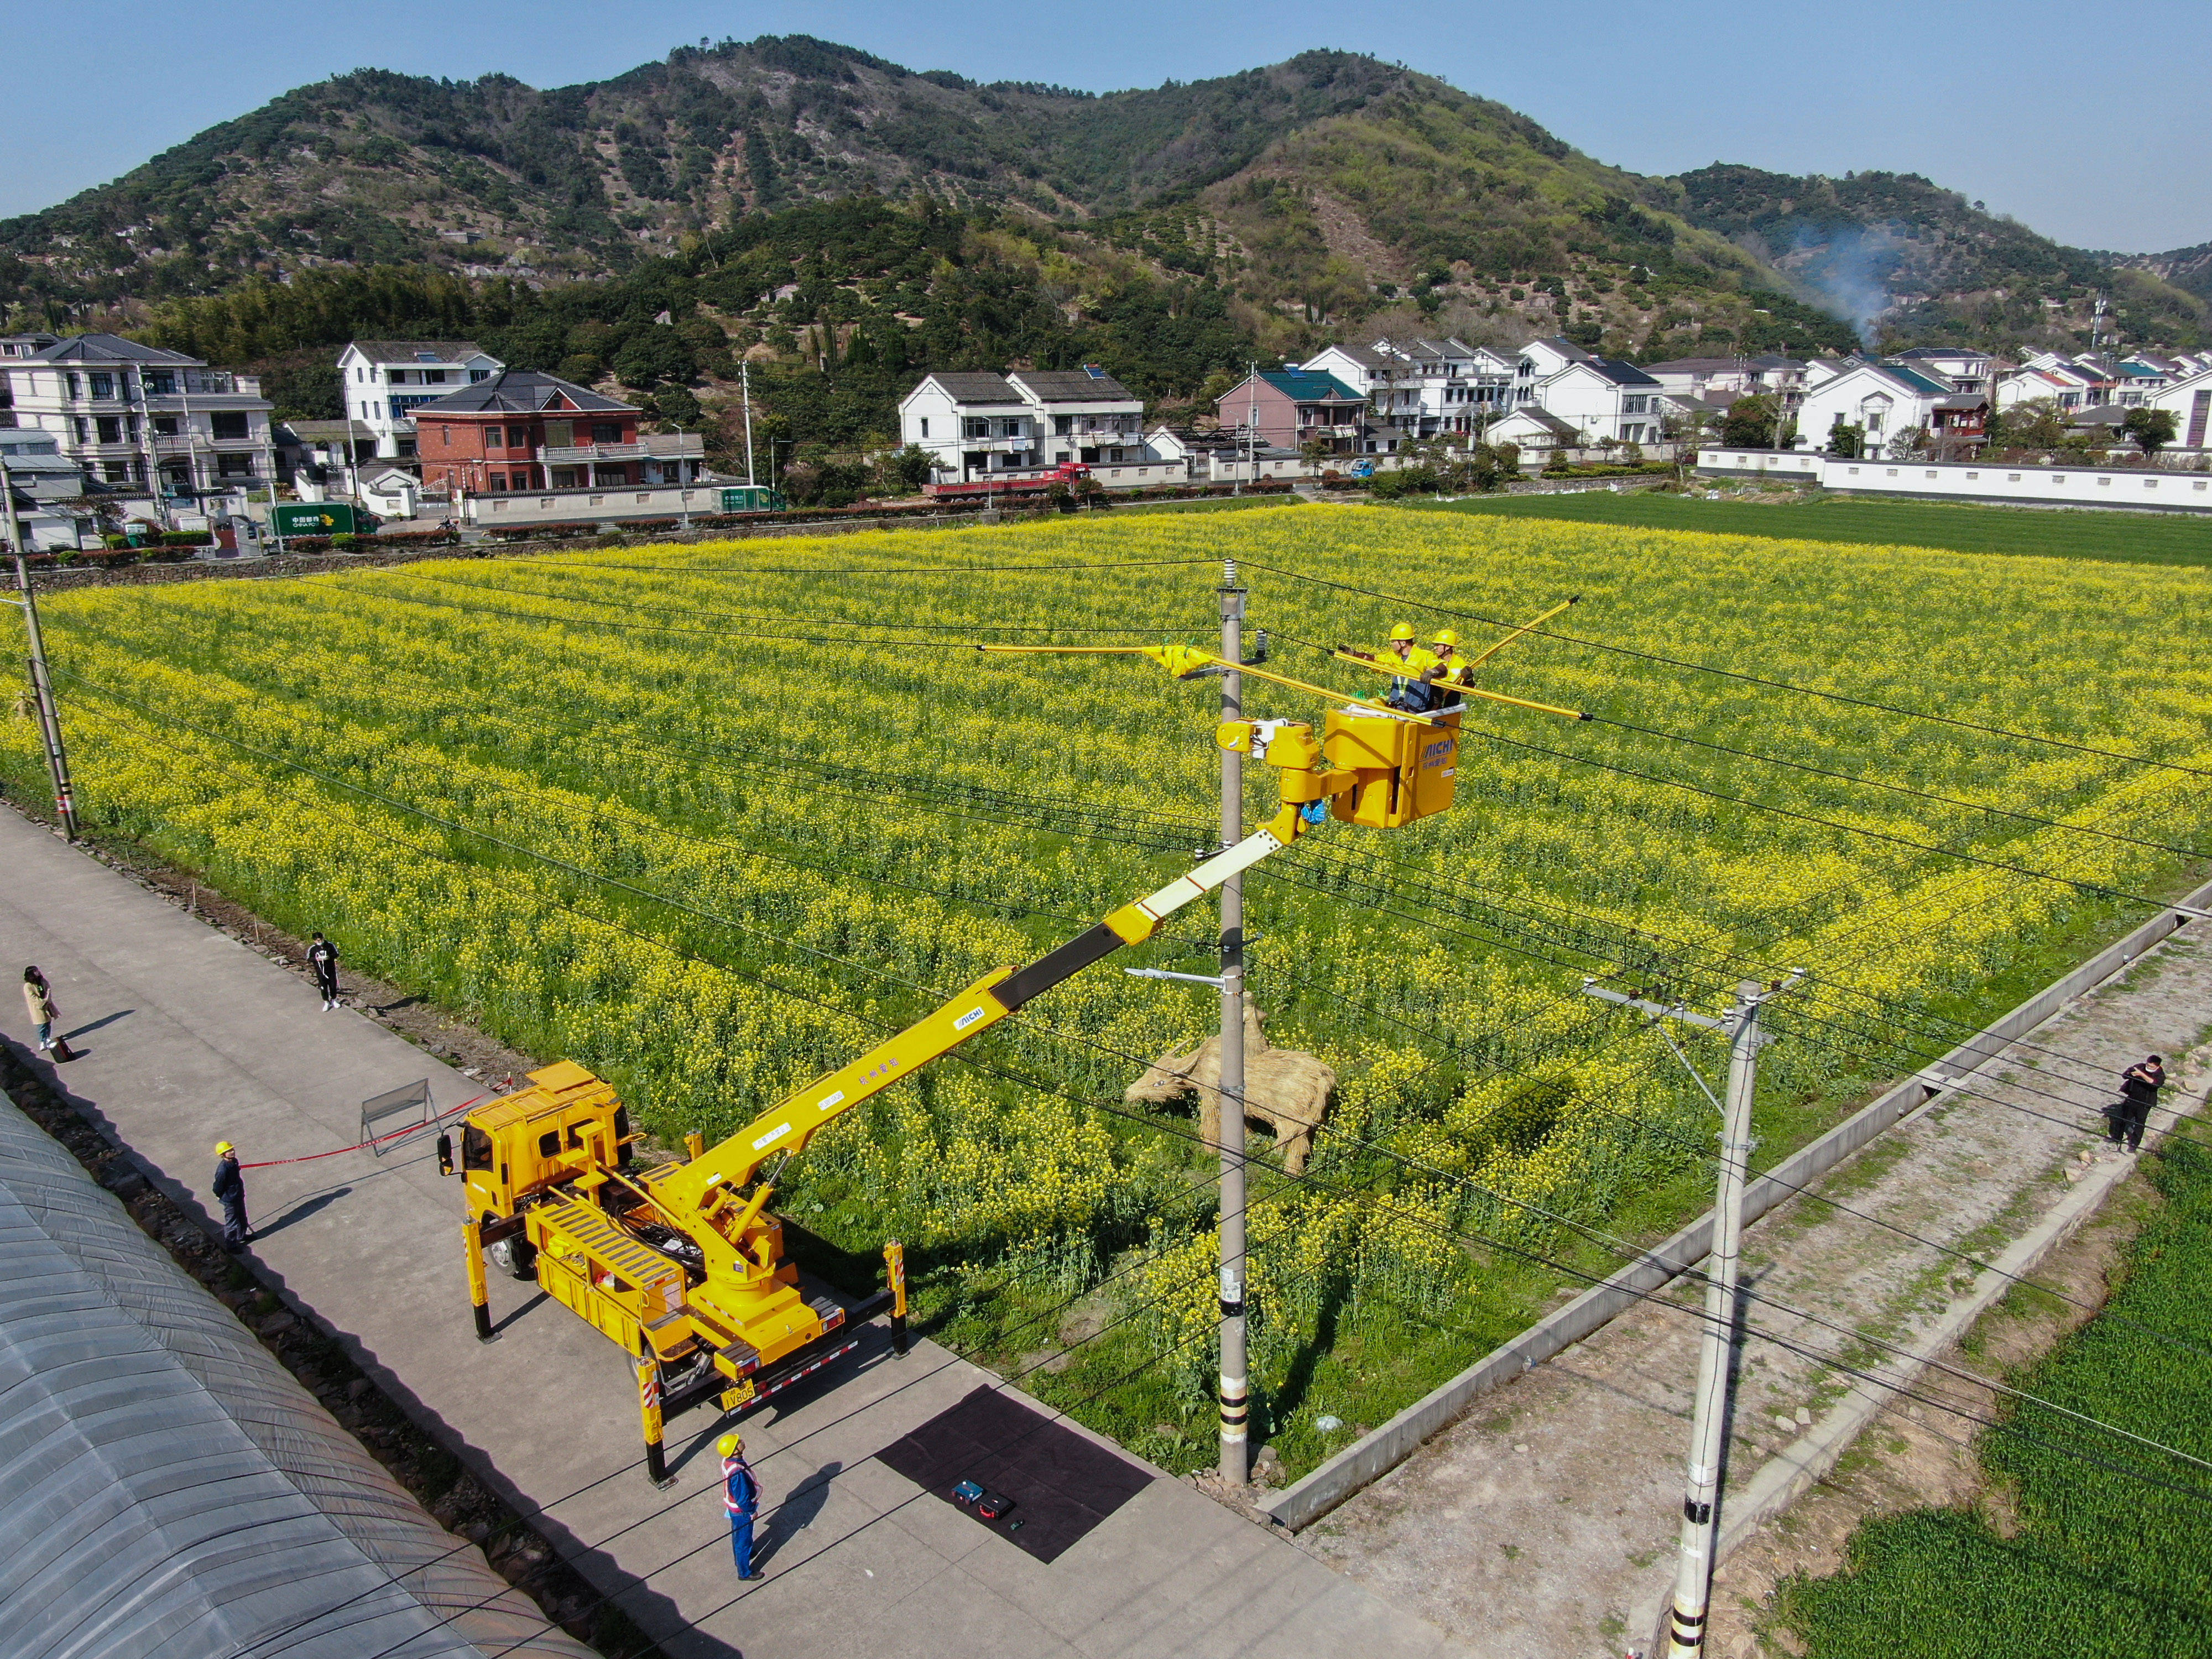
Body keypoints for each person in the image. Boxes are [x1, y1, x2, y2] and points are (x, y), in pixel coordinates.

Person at [719, 1431, 761, 1580]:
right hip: (742, 1511)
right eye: (738, 1442)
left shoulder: (729, 1461)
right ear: (735, 1451)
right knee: (742, 1541)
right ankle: (745, 1573)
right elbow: (742, 1497)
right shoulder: (737, 1471)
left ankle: (745, 1557)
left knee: (740, 1536)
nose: (741, 1441)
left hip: (735, 1510)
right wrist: (751, 1512)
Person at [2107, 1054, 2164, 1153]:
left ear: (2157, 1067)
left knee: (2139, 1124)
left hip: (2145, 1103)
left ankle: (2134, 1143)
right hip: (2132, 1098)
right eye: (2148, 1065)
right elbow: (2125, 1076)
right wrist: (2131, 1073)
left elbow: (2155, 1084)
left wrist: (2141, 1075)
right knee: (2123, 1118)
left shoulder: (2160, 1075)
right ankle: (2117, 1137)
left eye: (2151, 1067)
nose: (2148, 1068)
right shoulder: (2140, 1067)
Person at [22, 966, 76, 1062]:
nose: (37, 972)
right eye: (35, 971)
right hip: (38, 1007)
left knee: (48, 1022)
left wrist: (48, 998)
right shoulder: (28, 986)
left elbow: (47, 987)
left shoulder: (41, 980)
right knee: (42, 1024)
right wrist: (43, 1002)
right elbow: (33, 998)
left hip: (47, 1004)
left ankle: (47, 1038)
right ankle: (43, 1041)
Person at [212, 1140, 251, 1250]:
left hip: (238, 1195)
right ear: (223, 1154)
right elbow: (218, 1186)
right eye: (229, 1151)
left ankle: (242, 1235)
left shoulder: (234, 1162)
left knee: (242, 1217)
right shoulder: (223, 1170)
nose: (232, 1152)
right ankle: (231, 1245)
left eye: (232, 1150)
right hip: (230, 1199)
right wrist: (220, 1195)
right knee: (232, 1222)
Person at [308, 932, 341, 1011]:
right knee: (323, 987)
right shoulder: (313, 949)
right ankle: (326, 1002)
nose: (319, 941)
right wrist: (317, 959)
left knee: (333, 986)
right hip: (320, 971)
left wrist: (329, 957)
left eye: (321, 939)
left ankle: (334, 1000)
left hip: (331, 970)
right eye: (317, 940)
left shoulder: (330, 945)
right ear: (314, 941)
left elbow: (336, 954)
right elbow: (309, 958)